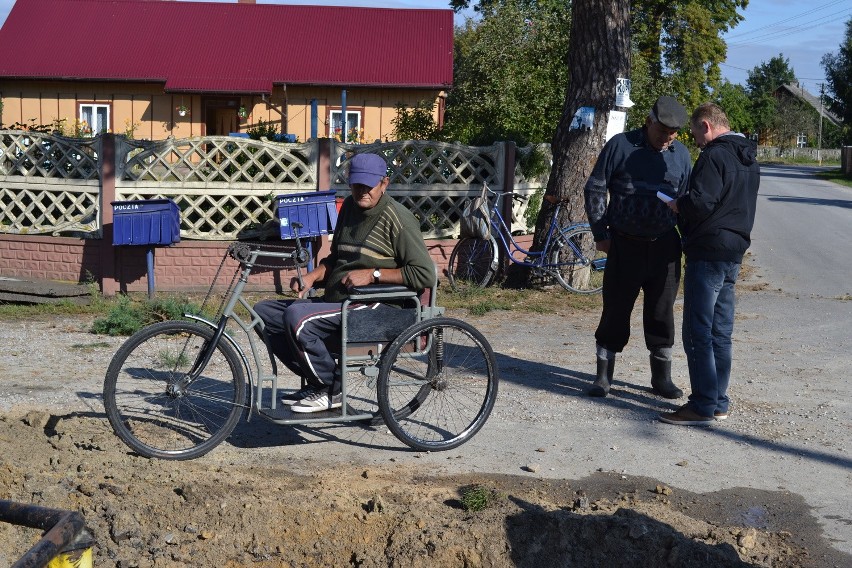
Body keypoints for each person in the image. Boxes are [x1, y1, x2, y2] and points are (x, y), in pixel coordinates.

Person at [254, 153, 436, 413]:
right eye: (356, 185)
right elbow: (337, 258)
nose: (362, 191)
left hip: (378, 307)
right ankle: (319, 381)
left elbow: (424, 274)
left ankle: (332, 390)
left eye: (368, 185)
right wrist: (311, 277)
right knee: (264, 313)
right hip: (341, 302)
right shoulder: (349, 207)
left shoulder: (399, 220)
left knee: (298, 317)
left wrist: (373, 274)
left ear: (384, 184)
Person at [583, 95, 692, 398]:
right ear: (648, 122)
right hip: (624, 244)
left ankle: (661, 379)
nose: (667, 139)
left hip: (665, 247)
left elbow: (686, 199)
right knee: (615, 311)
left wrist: (689, 240)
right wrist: (599, 233)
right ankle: (603, 377)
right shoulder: (620, 146)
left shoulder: (681, 154)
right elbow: (594, 187)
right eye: (662, 132)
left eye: (673, 134)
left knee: (661, 313)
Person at [659, 103, 760, 426]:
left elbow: (702, 202)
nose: (694, 139)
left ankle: (703, 403)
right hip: (734, 251)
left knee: (697, 331)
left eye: (694, 131)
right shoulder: (748, 158)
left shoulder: (715, 156)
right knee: (721, 331)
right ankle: (718, 400)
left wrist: (679, 204)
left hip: (709, 250)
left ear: (706, 125)